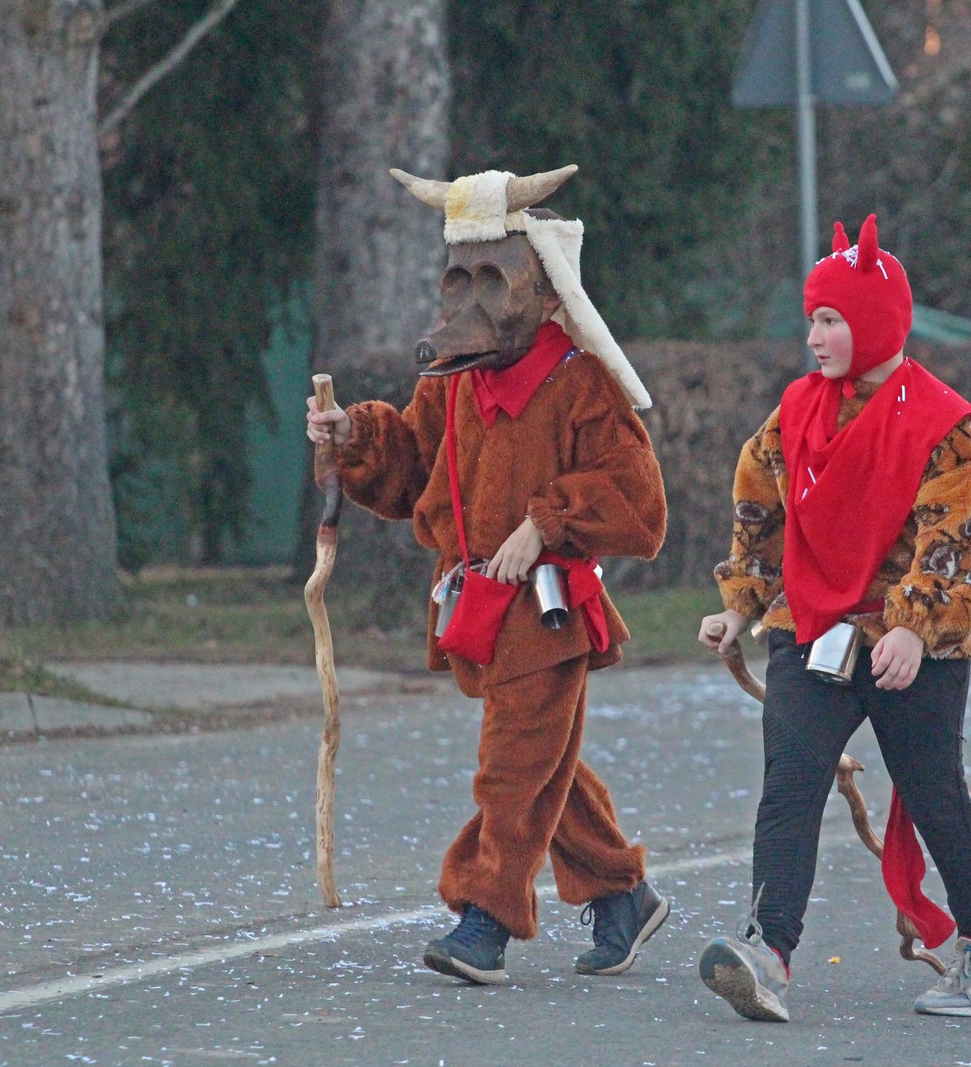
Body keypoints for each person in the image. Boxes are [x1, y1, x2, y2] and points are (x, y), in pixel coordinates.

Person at [305, 165, 669, 986]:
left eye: (492, 279)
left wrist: (547, 519)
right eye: (459, 278)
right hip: (477, 607)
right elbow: (412, 471)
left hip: (547, 617)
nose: (470, 299)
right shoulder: (460, 381)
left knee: (512, 767)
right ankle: (622, 894)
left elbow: (640, 503)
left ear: (542, 294)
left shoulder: (581, 381)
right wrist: (352, 437)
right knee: (546, 765)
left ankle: (484, 918)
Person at [694, 214, 971, 1022]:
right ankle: (767, 951)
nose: (813, 334)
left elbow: (961, 533)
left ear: (876, 321)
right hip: (813, 626)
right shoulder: (795, 414)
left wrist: (916, 625)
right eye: (813, 316)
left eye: (831, 318)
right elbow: (762, 506)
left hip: (915, 640)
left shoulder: (942, 426)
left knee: (934, 792)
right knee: (790, 783)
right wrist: (740, 604)